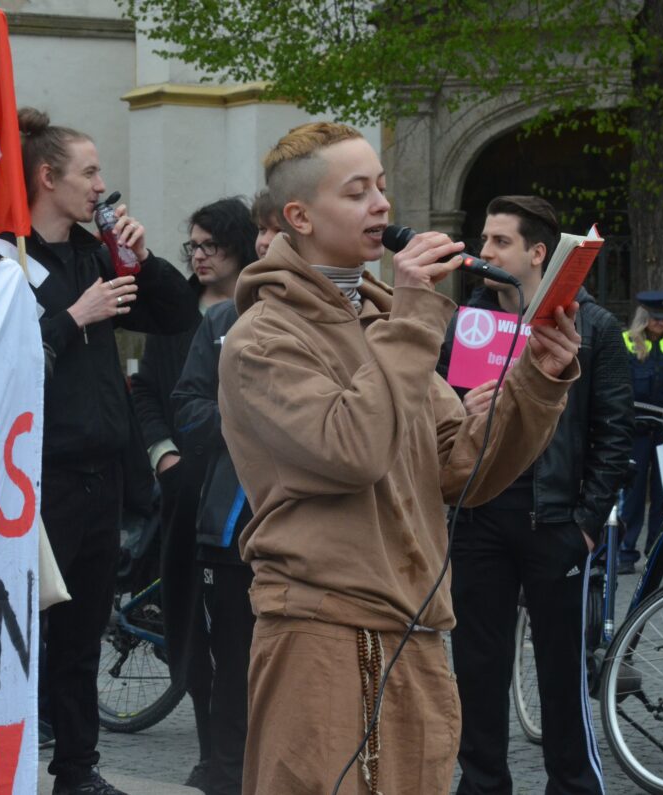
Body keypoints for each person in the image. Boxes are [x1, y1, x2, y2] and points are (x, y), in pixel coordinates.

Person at [217, 122, 583, 795]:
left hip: (414, 632)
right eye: (357, 192)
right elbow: (351, 450)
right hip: (323, 629)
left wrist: (536, 380)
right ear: (298, 217)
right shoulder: (261, 339)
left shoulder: (382, 321)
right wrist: (416, 314)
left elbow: (460, 468)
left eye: (382, 187)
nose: (383, 206)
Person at [0, 107, 195, 795]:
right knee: (27, 632)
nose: (102, 186)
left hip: (104, 471)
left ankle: (77, 768)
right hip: (40, 470)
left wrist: (143, 255)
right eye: (90, 172)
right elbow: (6, 356)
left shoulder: (95, 251)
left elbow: (173, 315)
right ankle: (6, 759)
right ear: (47, 178)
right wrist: (72, 318)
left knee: (81, 634)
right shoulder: (4, 256)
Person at [436, 195, 633, 795]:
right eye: (484, 238)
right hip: (478, 518)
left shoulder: (592, 326)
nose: (483, 251)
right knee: (477, 664)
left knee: (560, 671)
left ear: (537, 253)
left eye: (499, 241)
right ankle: (483, 783)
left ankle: (572, 785)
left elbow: (614, 433)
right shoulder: (467, 321)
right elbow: (438, 416)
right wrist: (457, 406)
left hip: (555, 524)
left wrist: (585, 526)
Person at [129, 196, 257, 792]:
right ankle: (213, 748)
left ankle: (234, 755)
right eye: (194, 246)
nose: (201, 257)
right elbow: (152, 393)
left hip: (240, 489)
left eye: (212, 246)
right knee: (193, 624)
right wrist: (165, 456)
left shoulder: (257, 307)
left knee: (236, 636)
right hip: (188, 487)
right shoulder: (178, 309)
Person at [163, 191, 275, 795]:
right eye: (259, 233)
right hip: (228, 527)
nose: (264, 244)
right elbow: (186, 406)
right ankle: (226, 775)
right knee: (228, 669)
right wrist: (246, 421)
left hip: (307, 532)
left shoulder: (351, 316)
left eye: (272, 232)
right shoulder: (220, 322)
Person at [619, 290, 663, 569]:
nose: (659, 323)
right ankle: (625, 553)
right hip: (636, 429)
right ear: (643, 317)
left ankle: (656, 552)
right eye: (654, 318)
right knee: (633, 494)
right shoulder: (626, 342)